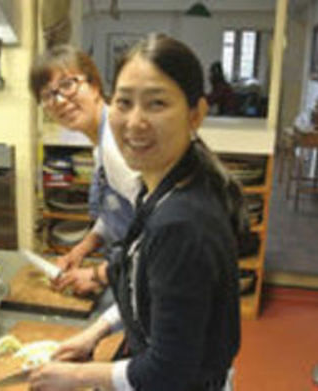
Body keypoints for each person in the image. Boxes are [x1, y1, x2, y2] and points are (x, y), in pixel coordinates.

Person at [29, 33, 245, 391]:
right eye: (124, 102)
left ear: (196, 114)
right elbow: (145, 286)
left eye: (156, 104)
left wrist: (78, 377)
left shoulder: (181, 224)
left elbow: (168, 372)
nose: (134, 122)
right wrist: (96, 332)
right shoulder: (161, 188)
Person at [29, 45, 138, 295]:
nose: (59, 100)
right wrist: (81, 249)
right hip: (127, 270)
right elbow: (116, 212)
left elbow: (154, 232)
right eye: (47, 95)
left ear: (95, 85)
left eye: (68, 85)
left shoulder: (115, 144)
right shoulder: (101, 141)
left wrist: (98, 275)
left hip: (148, 278)